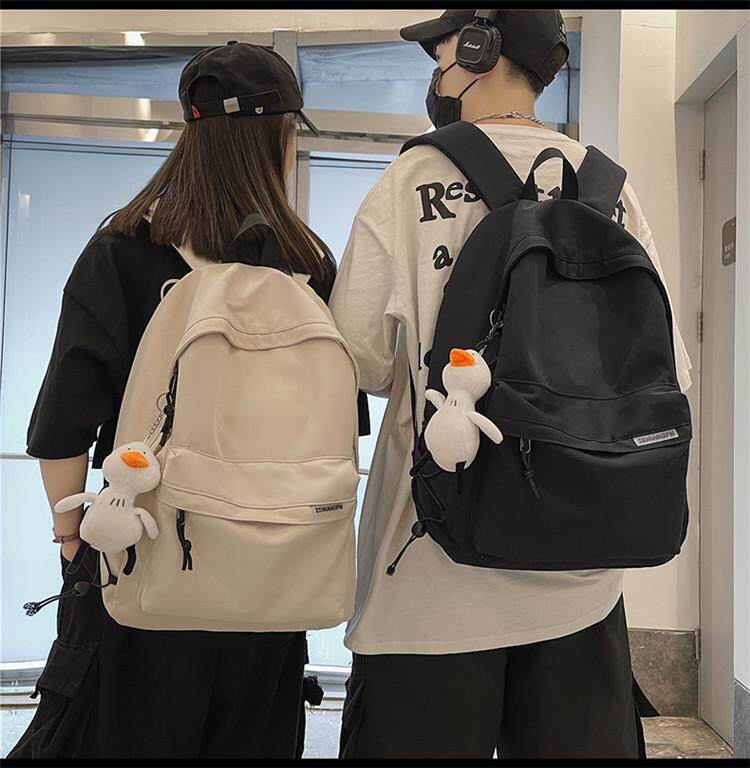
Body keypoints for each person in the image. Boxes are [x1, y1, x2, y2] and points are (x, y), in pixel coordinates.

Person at [330, 9, 693, 759]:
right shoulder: (609, 190)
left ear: (479, 48)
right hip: (584, 578)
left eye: (441, 52)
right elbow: (670, 372)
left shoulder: (412, 179)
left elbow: (361, 361)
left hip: (428, 586)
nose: (437, 73)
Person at [10, 42, 347, 759]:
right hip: (271, 580)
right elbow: (336, 428)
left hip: (140, 560)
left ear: (189, 134)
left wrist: (72, 544)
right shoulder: (308, 267)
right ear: (280, 139)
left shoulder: (124, 249)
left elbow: (64, 427)